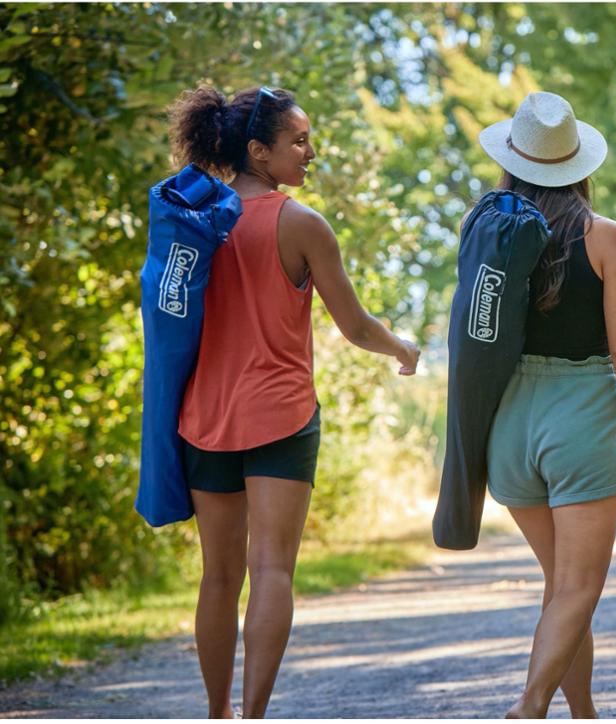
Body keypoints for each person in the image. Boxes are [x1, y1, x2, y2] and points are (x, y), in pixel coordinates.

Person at [167, 85, 420, 719]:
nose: (311, 153)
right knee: (272, 569)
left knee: (218, 576)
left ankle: (218, 713)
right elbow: (355, 325)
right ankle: (253, 716)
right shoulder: (301, 224)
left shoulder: (195, 220)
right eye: (299, 142)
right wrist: (403, 348)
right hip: (280, 416)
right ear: (259, 150)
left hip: (205, 418)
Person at [477, 92, 616, 718]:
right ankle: (530, 706)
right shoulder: (605, 238)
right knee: (576, 589)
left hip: (509, 425)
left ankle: (583, 714)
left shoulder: (482, 232)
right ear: (577, 165)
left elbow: (475, 337)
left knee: (562, 589)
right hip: (580, 421)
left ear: (513, 161)